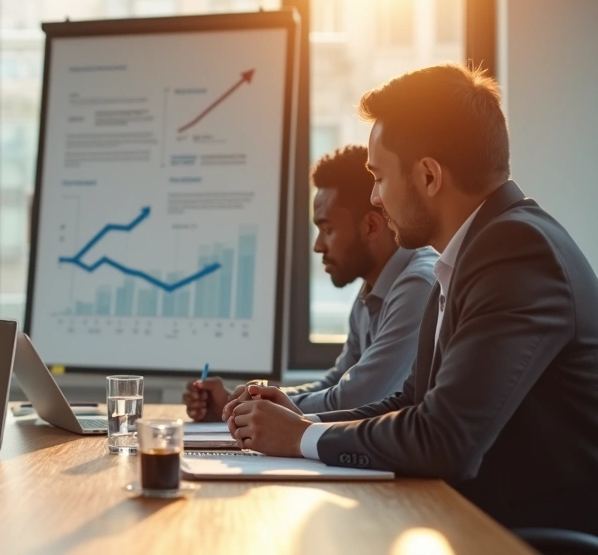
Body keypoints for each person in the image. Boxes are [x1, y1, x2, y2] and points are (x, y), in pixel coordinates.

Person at [226, 63, 598, 533]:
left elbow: (445, 437)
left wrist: (302, 437)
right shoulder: (468, 255)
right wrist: (299, 417)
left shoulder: (516, 251)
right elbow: (411, 402)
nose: (375, 198)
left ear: (427, 176)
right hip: (474, 518)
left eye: (379, 177)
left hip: (526, 533)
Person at [185, 145, 436, 418]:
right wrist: (239, 401)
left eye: (328, 229)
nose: (318, 246)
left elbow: (356, 398)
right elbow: (337, 381)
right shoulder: (372, 291)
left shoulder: (418, 286)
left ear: (371, 227)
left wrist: (253, 406)